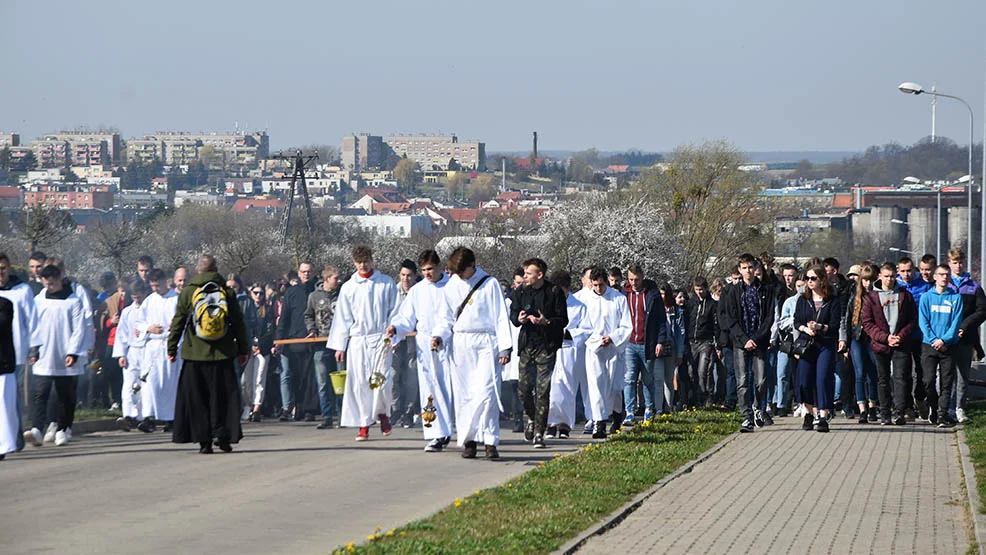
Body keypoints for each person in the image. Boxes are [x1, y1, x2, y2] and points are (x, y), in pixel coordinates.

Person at [433, 246, 513, 459]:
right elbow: (445, 318)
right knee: (465, 394)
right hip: (461, 344)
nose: (460, 276)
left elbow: (500, 317)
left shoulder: (490, 284)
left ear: (472, 265)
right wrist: (439, 336)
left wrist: (504, 346)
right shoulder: (452, 285)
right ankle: (469, 440)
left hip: (486, 342)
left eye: (463, 271)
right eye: (456, 272)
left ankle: (489, 440)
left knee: (487, 392)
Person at [168, 255, 249, 454]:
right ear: (216, 270)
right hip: (223, 354)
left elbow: (178, 321)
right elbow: (238, 322)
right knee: (223, 398)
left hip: (194, 354)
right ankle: (223, 436)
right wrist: (242, 349)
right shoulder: (226, 291)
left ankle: (203, 441)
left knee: (198, 399)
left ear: (197, 271)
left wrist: (171, 348)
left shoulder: (188, 292)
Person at [327, 246, 398, 441]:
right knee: (359, 383)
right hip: (358, 340)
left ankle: (383, 414)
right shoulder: (349, 287)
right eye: (359, 262)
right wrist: (340, 346)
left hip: (380, 337)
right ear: (354, 263)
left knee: (381, 380)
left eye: (366, 261)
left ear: (372, 260)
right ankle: (364, 423)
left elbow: (395, 310)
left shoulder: (386, 283)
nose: (363, 265)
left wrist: (393, 332)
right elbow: (343, 318)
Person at [387, 250, 454, 452]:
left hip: (447, 343)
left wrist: (441, 334)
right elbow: (407, 317)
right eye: (423, 270)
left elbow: (453, 316)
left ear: (439, 267)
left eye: (430, 269)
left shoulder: (451, 287)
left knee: (447, 389)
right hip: (425, 343)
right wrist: (396, 328)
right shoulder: (418, 291)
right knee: (429, 391)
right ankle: (435, 434)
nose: (427, 273)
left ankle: (450, 430)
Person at [24, 264, 86, 447]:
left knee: (64, 395)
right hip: (44, 354)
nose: (48, 287)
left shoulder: (73, 302)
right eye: (46, 283)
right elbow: (33, 327)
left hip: (65, 355)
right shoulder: (38, 300)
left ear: (60, 280)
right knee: (40, 393)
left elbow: (79, 330)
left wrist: (73, 352)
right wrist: (33, 350)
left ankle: (63, 428)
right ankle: (36, 428)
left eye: (52, 283)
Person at [510, 257, 568, 449]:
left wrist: (547, 322)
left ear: (540, 274)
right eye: (524, 273)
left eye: (528, 273)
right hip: (527, 346)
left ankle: (538, 433)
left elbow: (563, 319)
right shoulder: (521, 292)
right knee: (524, 390)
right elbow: (513, 315)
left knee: (543, 390)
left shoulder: (554, 292)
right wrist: (518, 318)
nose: (525, 276)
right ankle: (532, 418)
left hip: (546, 346)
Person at [720, 253, 776, 433]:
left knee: (760, 381)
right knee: (742, 380)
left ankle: (758, 407)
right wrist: (744, 339)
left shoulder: (766, 290)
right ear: (739, 269)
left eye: (750, 267)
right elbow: (731, 319)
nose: (748, 271)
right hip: (740, 342)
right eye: (744, 268)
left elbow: (769, 318)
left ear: (756, 268)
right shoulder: (734, 292)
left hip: (759, 340)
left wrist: (756, 338)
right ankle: (746, 416)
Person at [861, 263, 917, 426]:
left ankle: (899, 412)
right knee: (883, 379)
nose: (889, 279)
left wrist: (900, 336)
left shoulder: (905, 295)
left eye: (892, 276)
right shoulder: (872, 297)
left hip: (901, 343)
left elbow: (912, 319)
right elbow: (867, 322)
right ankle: (885, 413)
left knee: (900, 378)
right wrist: (885, 338)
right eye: (886, 276)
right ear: (880, 276)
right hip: (881, 344)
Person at [580, 266, 632, 439]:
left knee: (614, 387)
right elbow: (583, 328)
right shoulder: (586, 301)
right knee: (596, 386)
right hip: (595, 350)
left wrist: (613, 337)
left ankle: (617, 416)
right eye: (594, 285)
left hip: (614, 349)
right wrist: (596, 340)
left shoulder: (618, 299)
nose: (598, 289)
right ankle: (599, 422)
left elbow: (626, 325)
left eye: (601, 285)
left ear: (606, 282)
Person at [793, 265, 841, 432]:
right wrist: (805, 329)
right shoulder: (802, 300)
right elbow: (796, 321)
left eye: (813, 278)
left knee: (823, 379)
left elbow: (835, 325)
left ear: (822, 280)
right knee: (804, 380)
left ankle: (822, 415)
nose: (810, 282)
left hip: (825, 344)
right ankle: (808, 413)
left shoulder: (832, 300)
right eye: (807, 279)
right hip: (807, 344)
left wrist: (820, 327)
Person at [545, 269, 592, 439]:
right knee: (551, 387)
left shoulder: (579, 306)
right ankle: (550, 423)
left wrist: (569, 333)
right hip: (551, 348)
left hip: (569, 349)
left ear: (568, 288)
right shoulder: (548, 304)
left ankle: (564, 425)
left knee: (567, 389)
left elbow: (587, 329)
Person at [135, 268, 181, 433]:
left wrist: (174, 331)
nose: (155, 289)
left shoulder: (176, 299)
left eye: (157, 285)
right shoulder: (149, 300)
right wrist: (149, 328)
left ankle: (170, 418)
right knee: (150, 384)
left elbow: (184, 322)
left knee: (169, 383)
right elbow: (138, 322)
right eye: (152, 285)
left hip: (169, 345)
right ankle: (148, 417)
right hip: (152, 346)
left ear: (165, 281)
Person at [0, 252, 38, 450]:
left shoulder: (22, 291)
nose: (0, 273)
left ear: (9, 269)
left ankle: (15, 435)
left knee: (11, 396)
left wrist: (34, 347)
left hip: (16, 350)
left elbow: (32, 320)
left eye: (3, 269)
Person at [621, 264, 667, 425]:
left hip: (648, 342)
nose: (633, 283)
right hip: (629, 343)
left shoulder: (652, 294)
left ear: (643, 277)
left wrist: (660, 341)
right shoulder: (624, 294)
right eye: (631, 279)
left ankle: (649, 408)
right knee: (629, 378)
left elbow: (662, 319)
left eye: (637, 279)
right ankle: (629, 411)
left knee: (647, 378)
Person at [920, 263, 964, 428]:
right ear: (935, 277)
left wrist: (944, 340)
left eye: (947, 274)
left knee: (947, 382)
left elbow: (956, 323)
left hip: (949, 346)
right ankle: (933, 406)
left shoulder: (956, 298)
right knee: (928, 381)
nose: (944, 277)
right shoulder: (926, 297)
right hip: (929, 345)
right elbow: (923, 322)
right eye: (941, 274)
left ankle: (942, 415)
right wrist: (934, 340)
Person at [946, 248, 986, 423]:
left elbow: (982, 311)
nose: (958, 266)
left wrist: (964, 326)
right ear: (949, 264)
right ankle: (946, 407)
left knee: (962, 374)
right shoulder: (943, 285)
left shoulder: (974, 286)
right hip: (946, 338)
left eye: (960, 262)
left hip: (966, 337)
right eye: (954, 262)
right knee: (946, 374)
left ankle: (960, 407)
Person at [274, 262, 318, 422]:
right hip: (294, 339)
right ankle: (297, 408)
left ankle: (309, 410)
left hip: (313, 340)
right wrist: (279, 339)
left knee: (310, 376)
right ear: (299, 273)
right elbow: (284, 318)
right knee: (295, 376)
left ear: (313, 273)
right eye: (304, 272)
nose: (306, 274)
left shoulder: (317, 291)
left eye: (309, 271)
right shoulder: (292, 292)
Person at [840, 264, 879, 424]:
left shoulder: (877, 297)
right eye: (865, 281)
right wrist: (846, 343)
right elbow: (847, 321)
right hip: (857, 339)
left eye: (870, 281)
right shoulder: (854, 299)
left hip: (872, 339)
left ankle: (872, 406)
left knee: (872, 374)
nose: (867, 284)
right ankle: (862, 408)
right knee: (859, 372)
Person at [112, 280, 151, 431]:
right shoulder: (128, 311)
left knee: (144, 386)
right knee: (129, 384)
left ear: (145, 294)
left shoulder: (151, 309)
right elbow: (121, 334)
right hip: (132, 351)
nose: (137, 300)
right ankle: (128, 415)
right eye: (134, 297)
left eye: (139, 297)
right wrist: (121, 354)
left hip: (147, 350)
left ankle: (143, 417)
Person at [305, 266, 340, 429]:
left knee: (341, 381)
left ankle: (342, 414)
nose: (338, 281)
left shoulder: (342, 294)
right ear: (326, 279)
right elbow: (309, 315)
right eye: (335, 278)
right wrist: (312, 331)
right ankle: (327, 415)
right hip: (321, 344)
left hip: (340, 343)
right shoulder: (314, 296)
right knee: (323, 381)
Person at [897, 256, 931, 420]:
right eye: (902, 271)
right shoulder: (896, 285)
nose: (906, 274)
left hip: (920, 335)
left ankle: (919, 397)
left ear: (914, 270)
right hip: (902, 336)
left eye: (909, 270)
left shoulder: (924, 287)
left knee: (922, 371)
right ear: (898, 271)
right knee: (903, 373)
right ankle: (908, 406)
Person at [390, 259, 420, 428]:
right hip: (395, 341)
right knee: (393, 375)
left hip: (413, 342)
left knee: (411, 377)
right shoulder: (393, 292)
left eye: (409, 276)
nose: (406, 279)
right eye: (403, 275)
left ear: (415, 276)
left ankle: (409, 411)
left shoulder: (419, 292)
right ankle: (396, 408)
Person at [243, 282, 276, 422]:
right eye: (255, 293)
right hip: (249, 348)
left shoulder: (267, 310)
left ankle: (257, 408)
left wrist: (260, 345)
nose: (258, 295)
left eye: (261, 293)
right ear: (251, 294)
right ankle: (248, 405)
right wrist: (250, 345)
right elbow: (244, 328)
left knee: (259, 379)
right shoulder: (247, 309)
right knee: (245, 381)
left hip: (263, 350)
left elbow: (270, 330)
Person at [684, 276, 717, 408]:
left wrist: (715, 342)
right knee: (691, 371)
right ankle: (693, 397)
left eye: (701, 289)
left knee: (703, 371)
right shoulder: (691, 303)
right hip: (692, 341)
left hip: (705, 341)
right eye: (697, 289)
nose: (699, 292)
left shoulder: (711, 304)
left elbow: (715, 325)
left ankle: (703, 397)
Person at [0, 296, 16, 459]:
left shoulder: (4, 304)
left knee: (3, 407)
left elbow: (3, 325)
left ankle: (3, 445)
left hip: (2, 364)